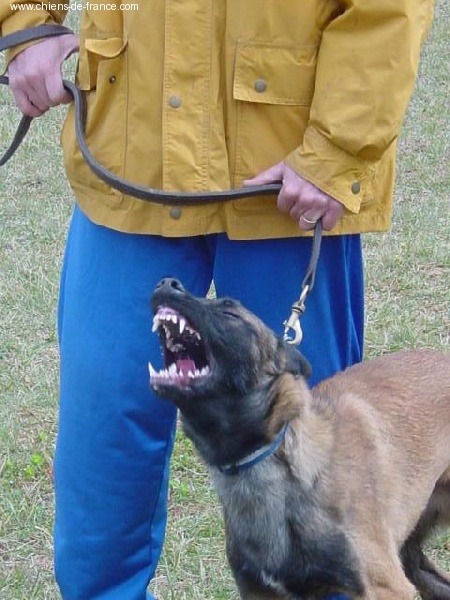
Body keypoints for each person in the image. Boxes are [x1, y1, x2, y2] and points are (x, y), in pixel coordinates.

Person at [0, 2, 434, 599]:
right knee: (101, 472)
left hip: (286, 180)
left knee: (324, 501)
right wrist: (26, 23)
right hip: (128, 159)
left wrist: (338, 145)